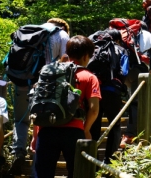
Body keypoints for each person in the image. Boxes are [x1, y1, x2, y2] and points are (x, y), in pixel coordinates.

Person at [9, 18, 70, 176]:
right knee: (41, 121)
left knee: (20, 120)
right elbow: (65, 60)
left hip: (21, 81)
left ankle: (18, 152)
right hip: (44, 85)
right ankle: (36, 164)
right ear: (63, 26)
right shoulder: (62, 34)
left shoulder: (27, 32)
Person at [33, 35, 101, 178]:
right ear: (85, 56)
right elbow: (94, 109)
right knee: (78, 173)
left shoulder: (50, 73)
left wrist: (35, 135)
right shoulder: (89, 77)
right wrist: (86, 129)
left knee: (42, 174)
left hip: (47, 130)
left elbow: (40, 103)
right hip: (74, 131)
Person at [120, 21, 151, 148]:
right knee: (136, 103)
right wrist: (150, 74)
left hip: (123, 72)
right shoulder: (149, 36)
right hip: (140, 72)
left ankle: (140, 128)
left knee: (133, 100)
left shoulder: (125, 34)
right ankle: (129, 135)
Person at [89, 28, 129, 164]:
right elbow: (124, 71)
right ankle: (109, 161)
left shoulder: (94, 48)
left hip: (94, 92)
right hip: (112, 92)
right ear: (117, 39)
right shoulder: (121, 50)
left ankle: (92, 161)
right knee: (114, 126)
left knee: (94, 126)